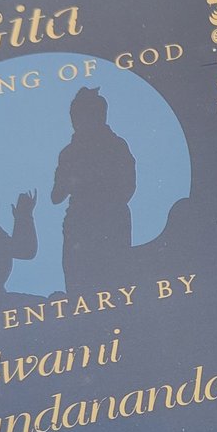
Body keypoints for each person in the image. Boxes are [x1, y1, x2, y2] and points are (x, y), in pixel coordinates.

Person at [51, 85, 136, 294]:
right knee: (78, 287)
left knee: (115, 283)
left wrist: (96, 190)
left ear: (99, 116)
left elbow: (128, 187)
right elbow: (56, 195)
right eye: (75, 117)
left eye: (81, 116)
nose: (77, 122)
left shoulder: (115, 146)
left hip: (109, 222)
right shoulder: (69, 153)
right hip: (79, 225)